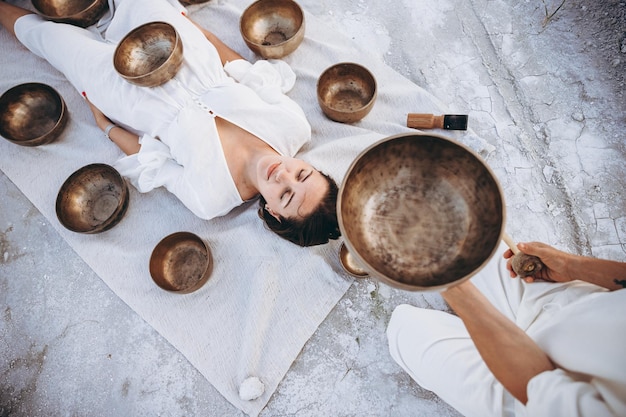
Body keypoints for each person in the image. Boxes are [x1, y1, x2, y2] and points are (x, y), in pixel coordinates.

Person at [0, 0, 341, 247]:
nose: (283, 175)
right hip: (183, 51)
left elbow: (153, 161)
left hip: (130, 97)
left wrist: (103, 122)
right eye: (301, 174)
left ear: (275, 214)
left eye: (285, 195)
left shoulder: (212, 200)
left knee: (50, 41)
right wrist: (197, 30)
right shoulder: (293, 126)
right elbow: (244, 72)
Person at [387, 240, 626, 417]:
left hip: (525, 394)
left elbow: (538, 388)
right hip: (576, 305)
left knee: (404, 328)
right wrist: (570, 266)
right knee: (456, 239)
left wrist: (455, 287)